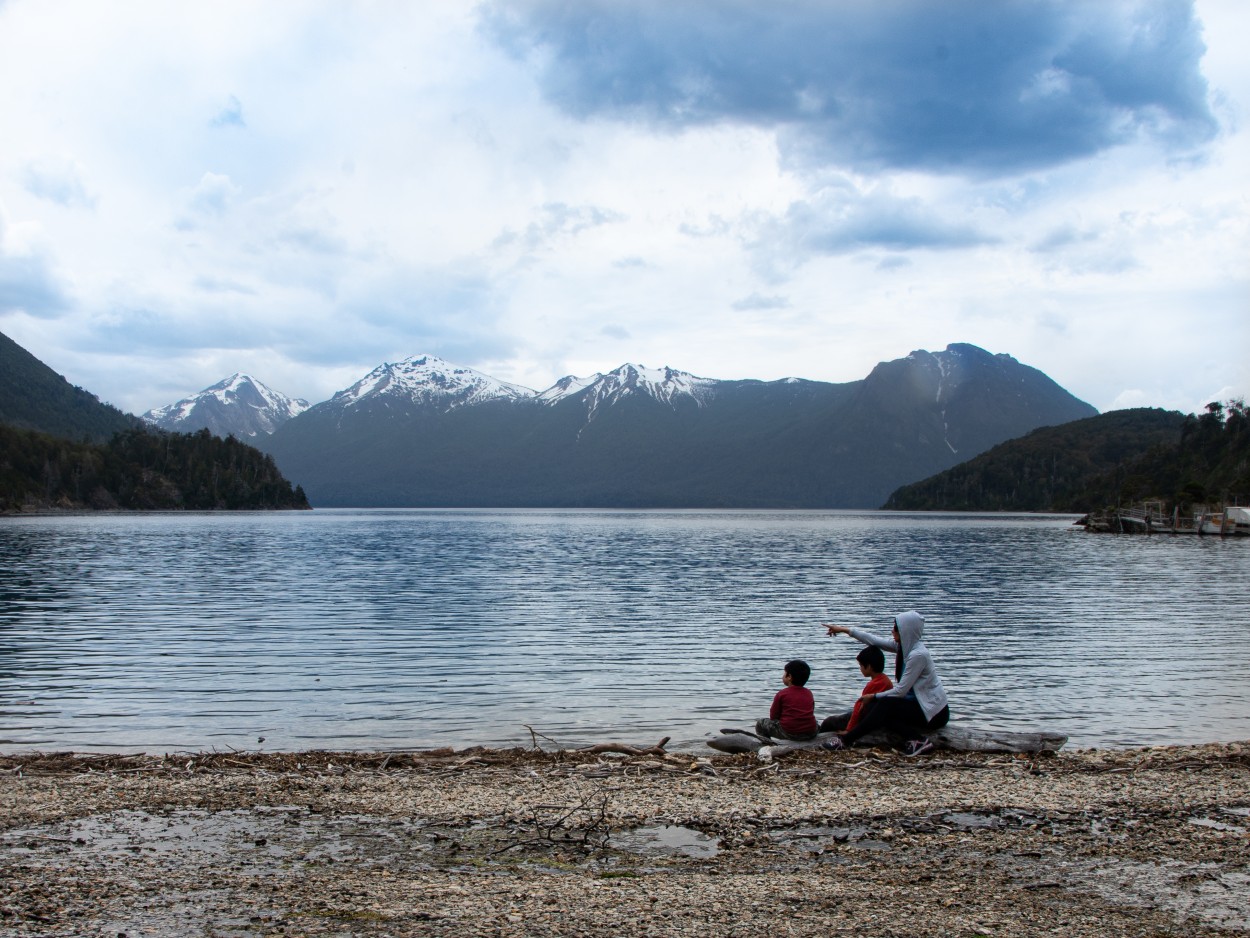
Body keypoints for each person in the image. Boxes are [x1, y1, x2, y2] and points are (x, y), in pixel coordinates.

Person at [821, 611, 949, 756]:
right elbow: (874, 640)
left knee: (883, 704)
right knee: (876, 709)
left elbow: (900, 691)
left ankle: (847, 740)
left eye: (895, 628)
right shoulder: (904, 648)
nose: (892, 630)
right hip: (917, 706)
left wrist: (874, 696)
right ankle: (916, 739)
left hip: (933, 713)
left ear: (905, 631)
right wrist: (844, 630)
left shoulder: (917, 655)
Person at [819, 644, 893, 735]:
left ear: (869, 667)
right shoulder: (887, 681)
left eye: (861, 665)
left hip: (864, 717)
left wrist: (849, 730)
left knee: (829, 722)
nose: (860, 668)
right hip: (875, 717)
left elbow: (858, 708)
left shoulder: (873, 684)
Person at [755, 659, 818, 741]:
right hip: (810, 733)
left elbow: (773, 716)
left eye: (784, 673)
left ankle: (766, 743)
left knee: (760, 724)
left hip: (790, 733)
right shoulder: (809, 693)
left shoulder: (782, 694)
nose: (783, 675)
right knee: (814, 722)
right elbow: (810, 711)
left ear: (789, 677)